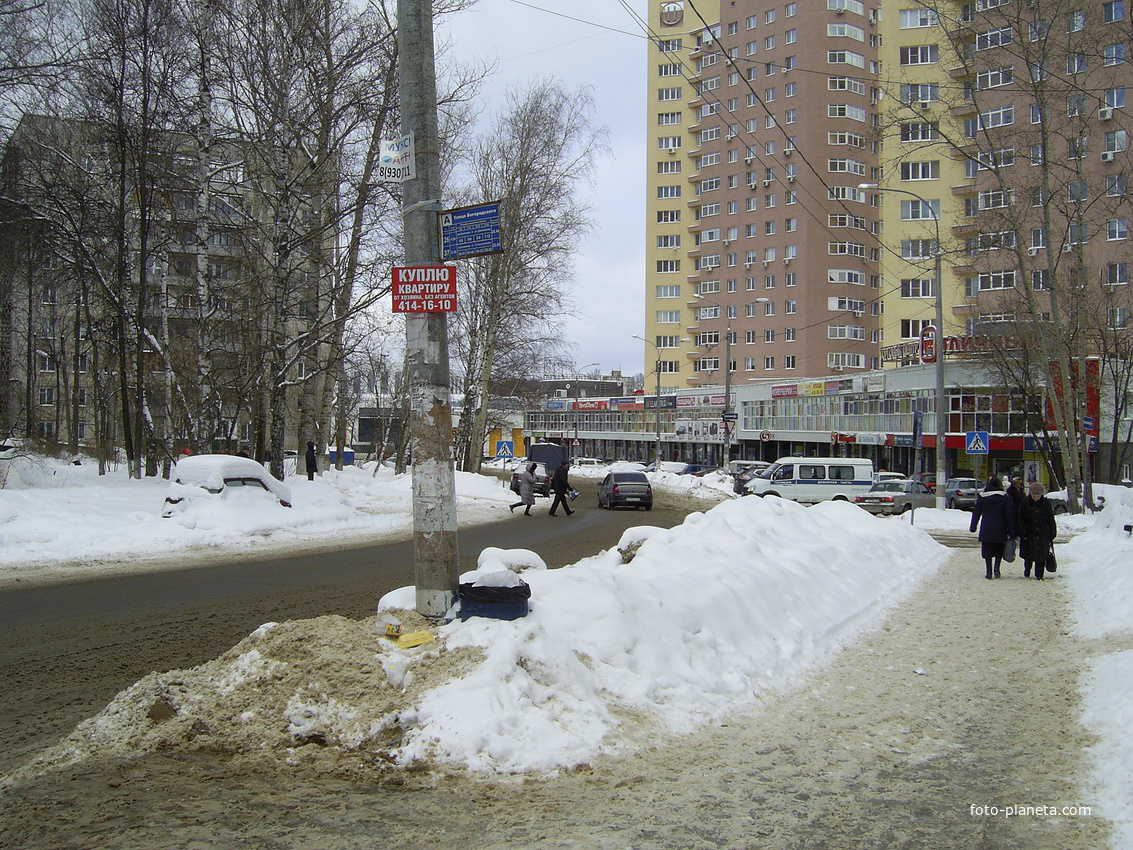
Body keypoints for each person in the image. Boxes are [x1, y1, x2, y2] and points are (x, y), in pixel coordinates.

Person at [970, 476, 1016, 579]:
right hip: (1001, 527)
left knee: (987, 550)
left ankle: (988, 571)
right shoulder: (1004, 498)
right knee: (999, 549)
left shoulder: (982, 497)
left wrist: (973, 526)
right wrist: (1012, 531)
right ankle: (997, 569)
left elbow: (976, 512)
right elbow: (1009, 515)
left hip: (987, 527)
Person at [1018, 481, 1058, 580]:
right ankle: (1028, 568)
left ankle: (1039, 574)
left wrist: (1052, 531)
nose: (1036, 498)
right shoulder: (1025, 502)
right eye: (1034, 496)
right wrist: (1022, 531)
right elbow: (1020, 518)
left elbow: (1050, 518)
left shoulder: (1046, 503)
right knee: (1029, 554)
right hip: (1029, 532)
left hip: (1043, 532)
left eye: (1038, 496)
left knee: (1041, 555)